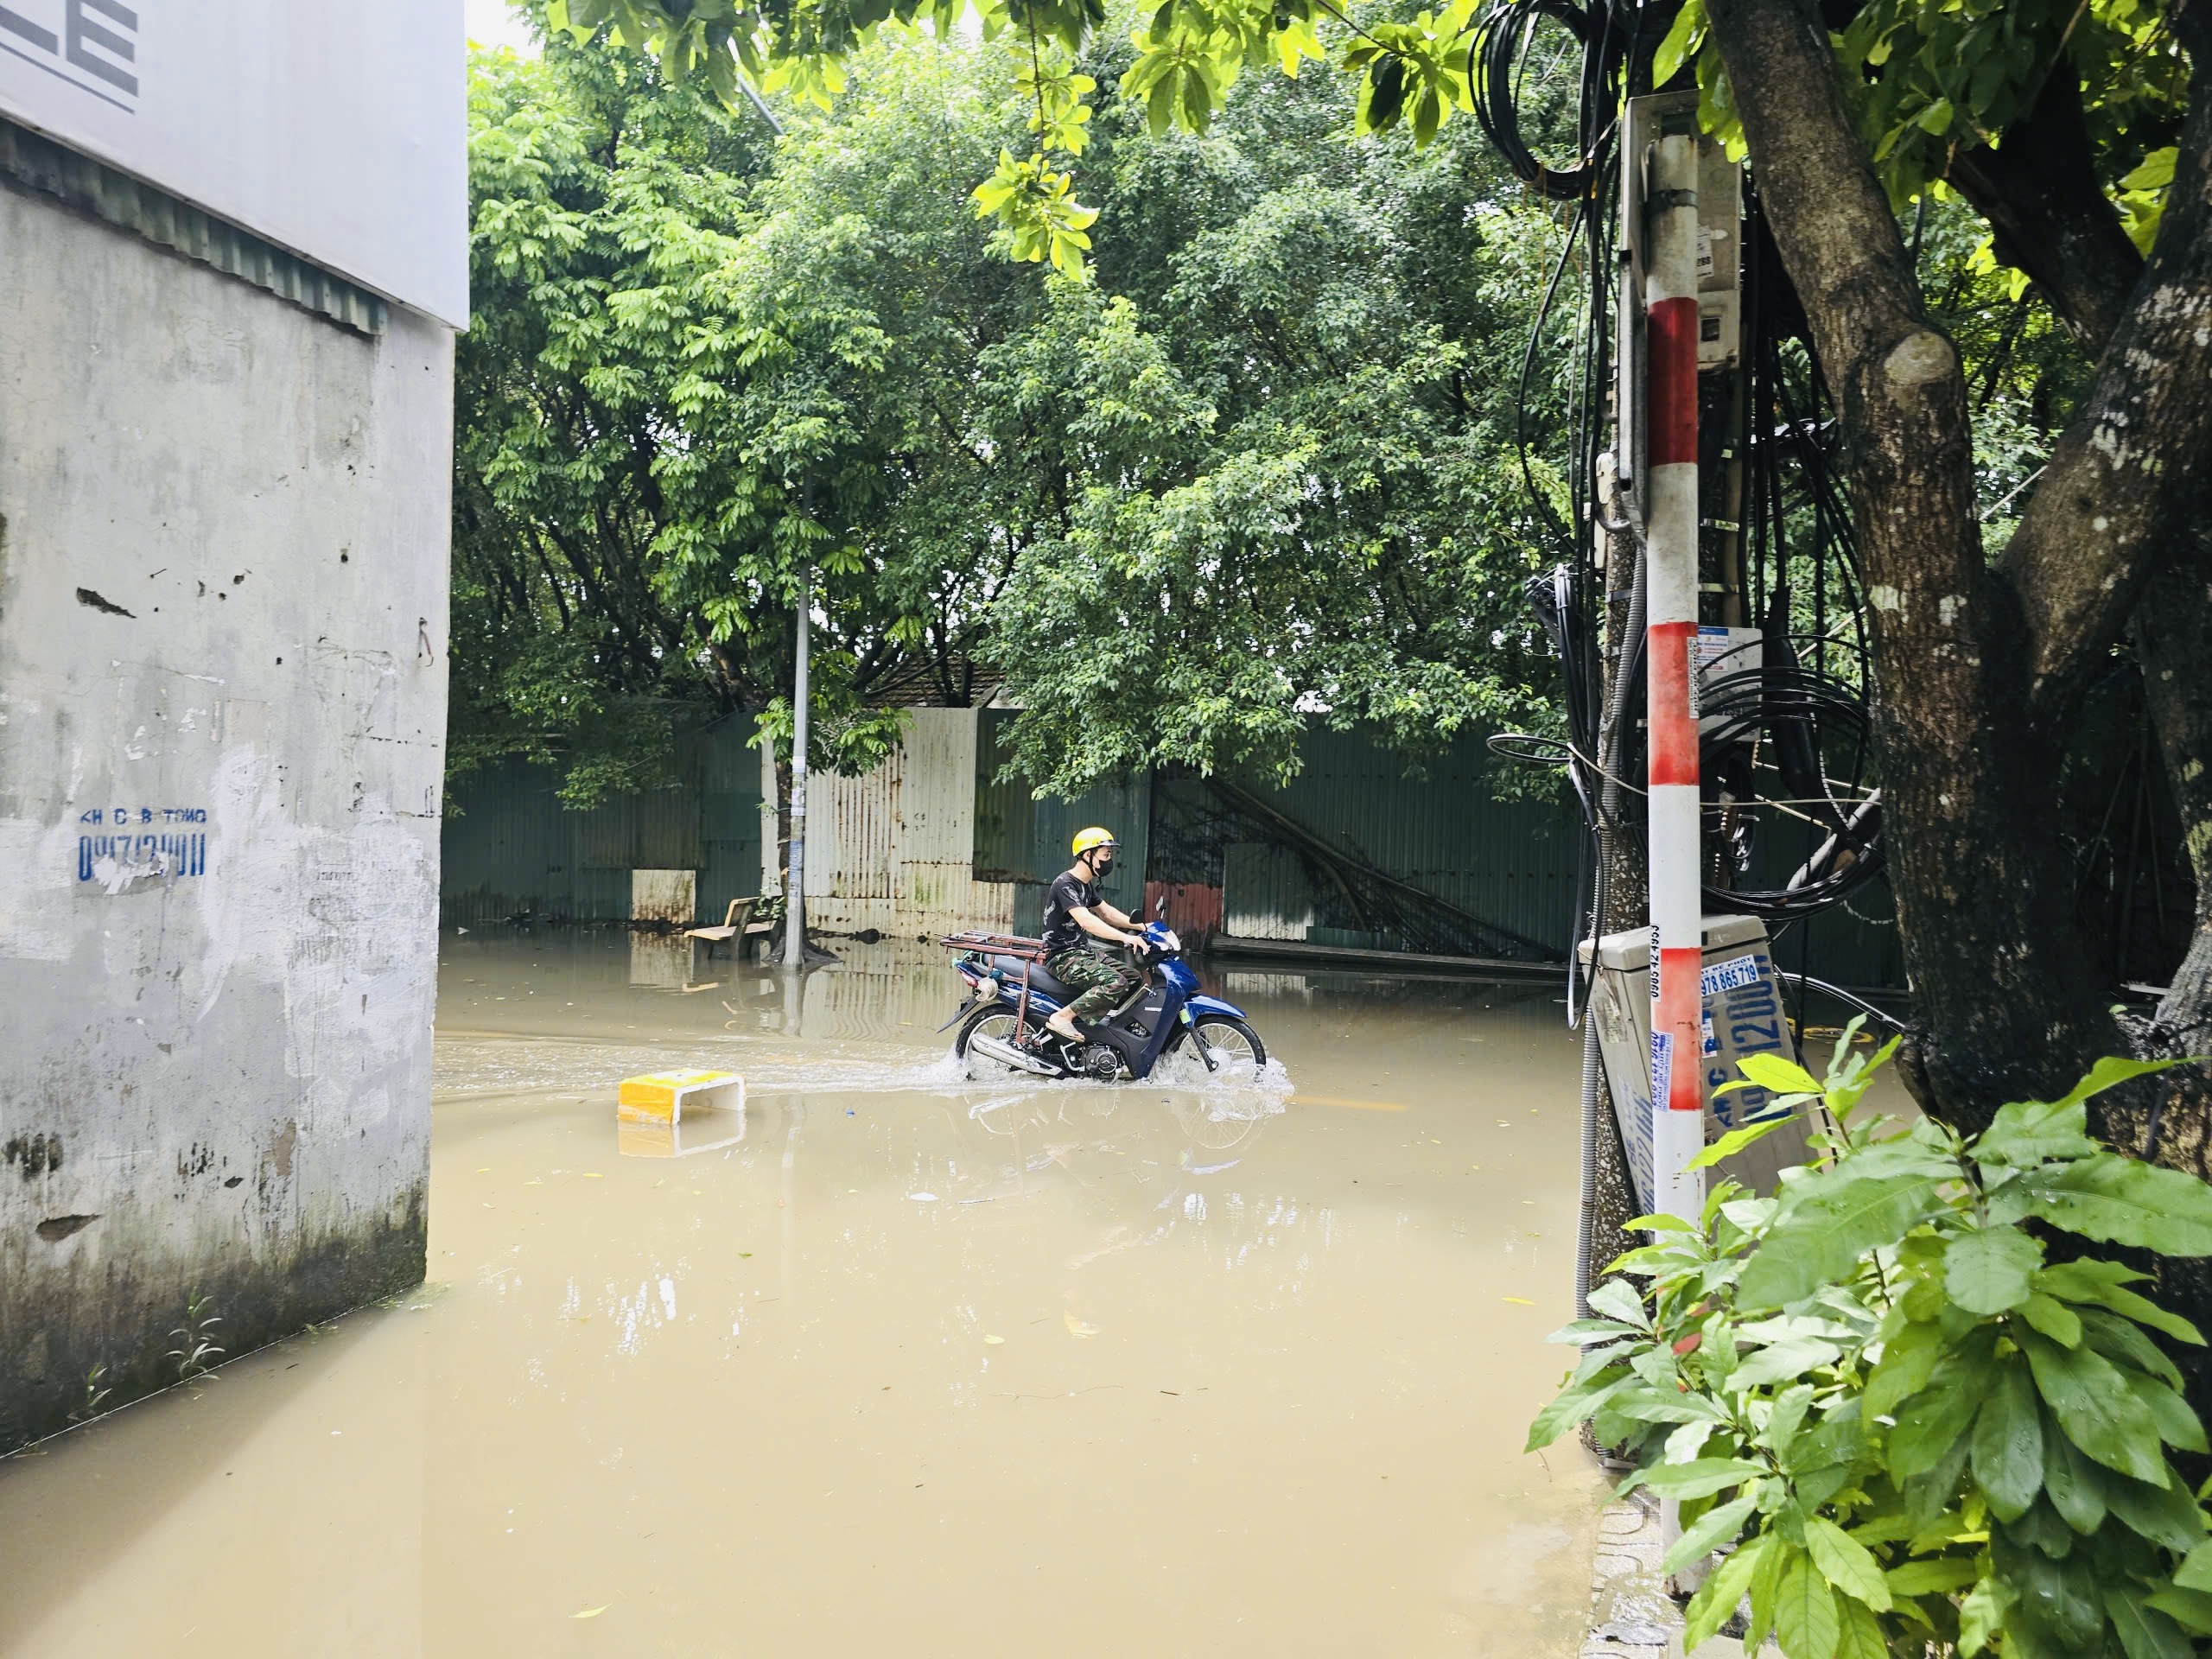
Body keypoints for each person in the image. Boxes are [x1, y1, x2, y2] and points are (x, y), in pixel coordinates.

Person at [1032, 827, 1147, 1049]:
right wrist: (1126, 938)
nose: (1109, 861)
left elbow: (1107, 913)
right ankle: (1062, 1017)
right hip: (1064, 958)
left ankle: (1110, 1034)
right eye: (1106, 855)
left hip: (1083, 953)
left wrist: (1143, 926)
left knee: (1133, 979)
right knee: (1115, 982)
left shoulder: (1085, 885)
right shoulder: (1065, 884)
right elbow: (1087, 921)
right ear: (1088, 855)